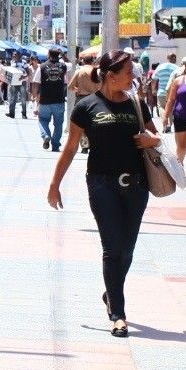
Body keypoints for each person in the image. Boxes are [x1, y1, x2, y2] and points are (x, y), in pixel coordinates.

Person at [47, 50, 162, 338]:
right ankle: (118, 314)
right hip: (101, 184)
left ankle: (111, 291)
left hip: (137, 185)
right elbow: (71, 147)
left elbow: (157, 137)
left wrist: (151, 139)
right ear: (111, 75)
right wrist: (54, 184)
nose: (133, 76)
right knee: (112, 248)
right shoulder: (86, 107)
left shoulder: (136, 105)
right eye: (128, 72)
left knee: (127, 249)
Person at [35, 47, 71, 152]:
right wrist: (62, 55)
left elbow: (36, 82)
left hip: (45, 100)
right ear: (58, 55)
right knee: (58, 124)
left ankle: (46, 135)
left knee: (43, 120)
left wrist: (34, 95)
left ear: (48, 54)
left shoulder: (41, 67)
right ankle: (55, 145)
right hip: (59, 100)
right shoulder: (64, 65)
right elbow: (70, 63)